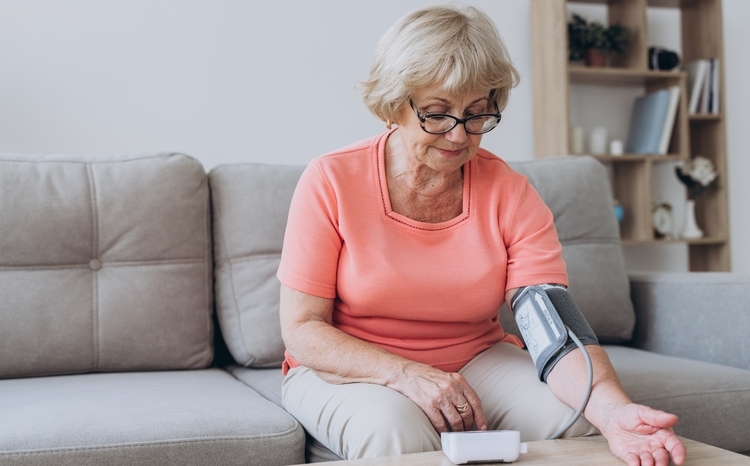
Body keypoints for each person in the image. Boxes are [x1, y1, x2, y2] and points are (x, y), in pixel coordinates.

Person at [277, 5, 686, 466]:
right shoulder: (331, 180)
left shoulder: (510, 192)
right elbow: (303, 330)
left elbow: (551, 324)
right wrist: (406, 374)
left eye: (476, 114)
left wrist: (614, 412)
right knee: (396, 433)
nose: (458, 135)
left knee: (577, 419)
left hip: (476, 358)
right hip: (350, 369)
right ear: (394, 103)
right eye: (436, 113)